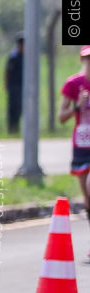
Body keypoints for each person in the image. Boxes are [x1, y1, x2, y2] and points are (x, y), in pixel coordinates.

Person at [59, 45, 90, 247]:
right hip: (81, 145)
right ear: (82, 59)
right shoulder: (74, 83)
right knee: (88, 199)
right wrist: (77, 106)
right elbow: (61, 117)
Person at [5, 33, 24, 134]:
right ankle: (12, 129)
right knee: (13, 108)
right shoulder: (14, 56)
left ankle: (18, 129)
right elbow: (8, 72)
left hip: (23, 87)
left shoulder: (27, 57)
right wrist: (7, 85)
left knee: (21, 108)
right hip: (14, 86)